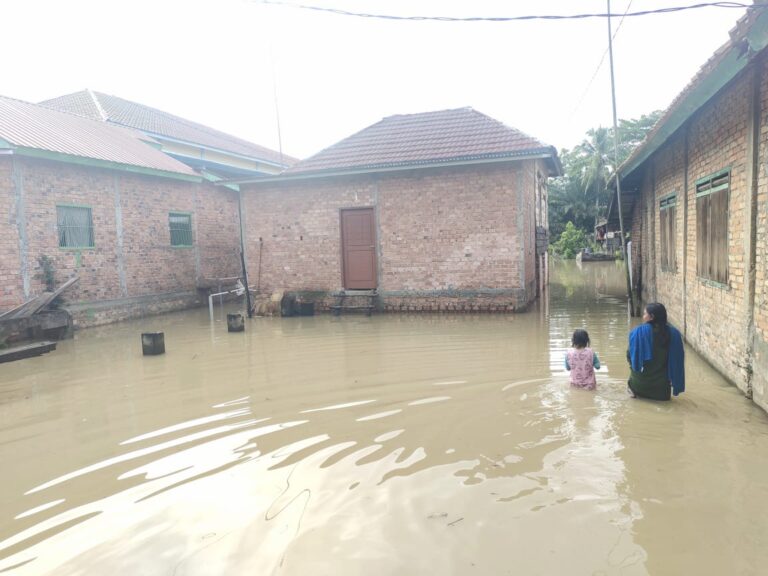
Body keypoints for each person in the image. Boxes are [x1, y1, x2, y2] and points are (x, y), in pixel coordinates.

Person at [627, 302, 685, 400]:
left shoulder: (637, 332)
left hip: (639, 385)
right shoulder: (674, 335)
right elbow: (678, 361)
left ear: (652, 317)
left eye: (645, 314)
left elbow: (630, 357)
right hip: (661, 390)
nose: (643, 316)